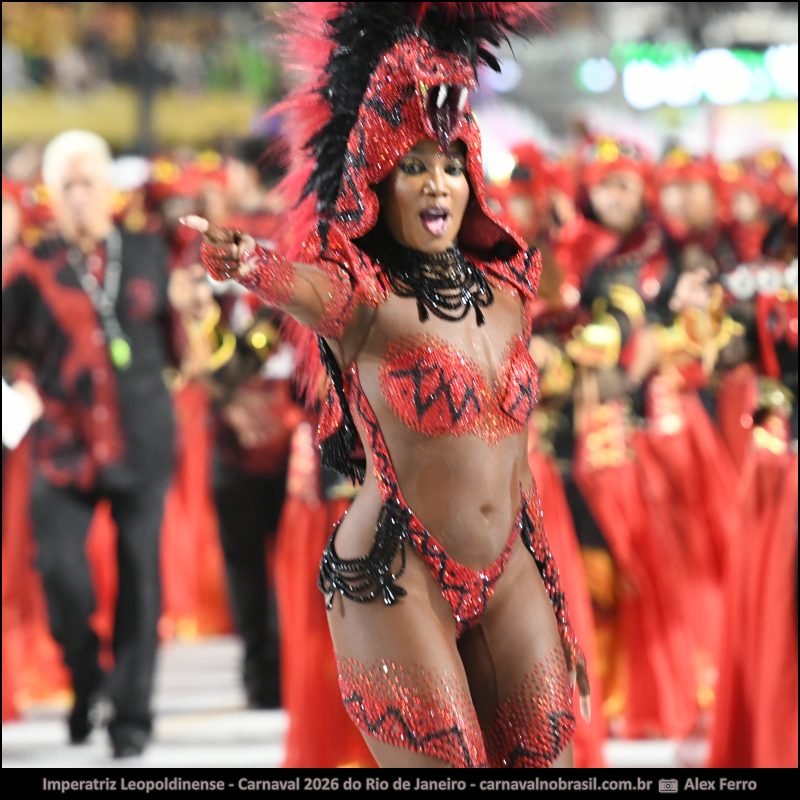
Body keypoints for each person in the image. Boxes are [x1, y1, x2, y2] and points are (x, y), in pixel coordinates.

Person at [183, 2, 589, 768]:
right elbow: (300, 286)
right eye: (414, 168)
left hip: (510, 571)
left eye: (451, 168)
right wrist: (247, 261)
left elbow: (515, 462)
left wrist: (559, 611)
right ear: (380, 178)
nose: (437, 186)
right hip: (392, 572)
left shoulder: (509, 295)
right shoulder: (362, 297)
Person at [2, 130, 185, 758]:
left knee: (140, 578)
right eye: (68, 185)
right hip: (63, 446)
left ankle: (131, 718)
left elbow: (179, 343)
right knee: (60, 572)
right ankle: (86, 676)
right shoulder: (29, 267)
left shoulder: (149, 251)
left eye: (89, 183)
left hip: (142, 437)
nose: (80, 196)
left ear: (109, 190)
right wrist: (19, 390)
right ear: (52, 196)